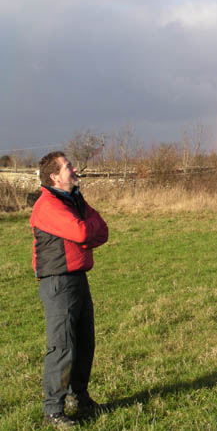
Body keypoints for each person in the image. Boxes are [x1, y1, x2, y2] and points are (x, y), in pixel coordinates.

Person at [30, 151, 109, 428]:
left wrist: (86, 233)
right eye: (67, 166)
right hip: (58, 283)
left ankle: (80, 397)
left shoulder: (75, 199)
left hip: (78, 278)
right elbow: (83, 233)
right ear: (54, 176)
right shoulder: (48, 205)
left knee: (85, 342)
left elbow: (102, 229)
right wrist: (86, 235)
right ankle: (54, 408)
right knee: (62, 347)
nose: (74, 169)